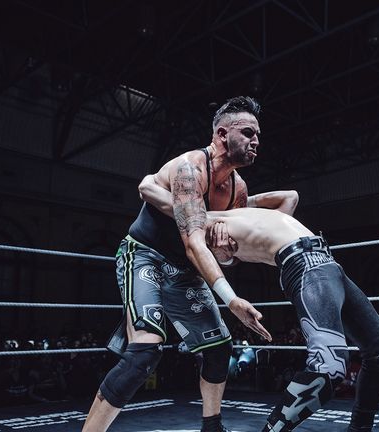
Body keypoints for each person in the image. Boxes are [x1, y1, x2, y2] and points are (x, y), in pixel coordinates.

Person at [83, 96, 284, 432]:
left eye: (258, 135)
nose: (256, 141)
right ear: (222, 134)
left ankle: (212, 427)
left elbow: (220, 255)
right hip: (144, 255)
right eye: (248, 133)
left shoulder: (238, 189)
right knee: (143, 356)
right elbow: (193, 243)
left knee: (220, 350)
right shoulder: (189, 169)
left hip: (185, 271)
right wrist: (230, 299)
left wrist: (225, 252)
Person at [143, 185, 379, 432]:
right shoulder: (205, 220)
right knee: (328, 368)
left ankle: (360, 428)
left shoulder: (242, 212)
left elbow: (291, 197)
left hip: (329, 264)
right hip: (304, 266)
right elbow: (151, 191)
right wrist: (220, 244)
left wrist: (243, 202)